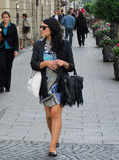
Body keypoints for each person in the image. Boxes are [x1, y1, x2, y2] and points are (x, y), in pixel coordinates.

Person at [30, 18, 75, 157]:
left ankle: (52, 146)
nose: (41, 29)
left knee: (55, 113)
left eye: (44, 27)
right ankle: (55, 138)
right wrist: (46, 64)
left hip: (59, 84)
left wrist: (63, 63)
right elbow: (33, 64)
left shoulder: (64, 44)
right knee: (49, 115)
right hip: (44, 85)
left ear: (52, 29)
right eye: (41, 27)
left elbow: (71, 66)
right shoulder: (38, 44)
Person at [0, 11, 19, 93]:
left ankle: (7, 86)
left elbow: (16, 39)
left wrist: (16, 50)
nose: (5, 18)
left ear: (9, 18)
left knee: (8, 68)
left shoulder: (13, 26)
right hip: (1, 49)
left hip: (10, 50)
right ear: (2, 18)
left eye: (6, 17)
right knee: (1, 67)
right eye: (3, 17)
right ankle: (1, 85)